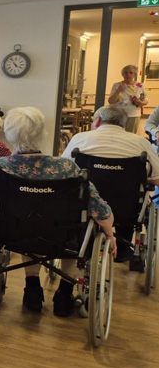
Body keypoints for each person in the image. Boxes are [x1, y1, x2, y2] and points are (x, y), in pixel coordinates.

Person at [0, 107, 116, 317]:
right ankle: (64, 293)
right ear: (42, 133)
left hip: (16, 235)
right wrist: (109, 233)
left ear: (10, 134)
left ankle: (32, 288)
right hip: (63, 235)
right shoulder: (67, 167)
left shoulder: (0, 167)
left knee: (25, 221)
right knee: (73, 228)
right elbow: (98, 208)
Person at [60, 105, 159, 263]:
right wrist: (135, 177)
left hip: (87, 205)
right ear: (123, 124)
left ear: (97, 121)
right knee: (130, 198)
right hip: (126, 207)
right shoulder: (141, 143)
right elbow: (157, 178)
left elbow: (64, 171)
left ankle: (86, 245)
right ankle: (123, 251)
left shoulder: (80, 139)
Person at [108, 64, 147, 132]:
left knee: (130, 136)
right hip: (118, 115)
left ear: (134, 75)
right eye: (126, 73)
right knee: (118, 135)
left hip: (133, 115)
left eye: (131, 73)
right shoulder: (116, 85)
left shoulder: (140, 86)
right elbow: (111, 101)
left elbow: (146, 100)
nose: (128, 74)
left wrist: (140, 102)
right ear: (122, 74)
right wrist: (119, 89)